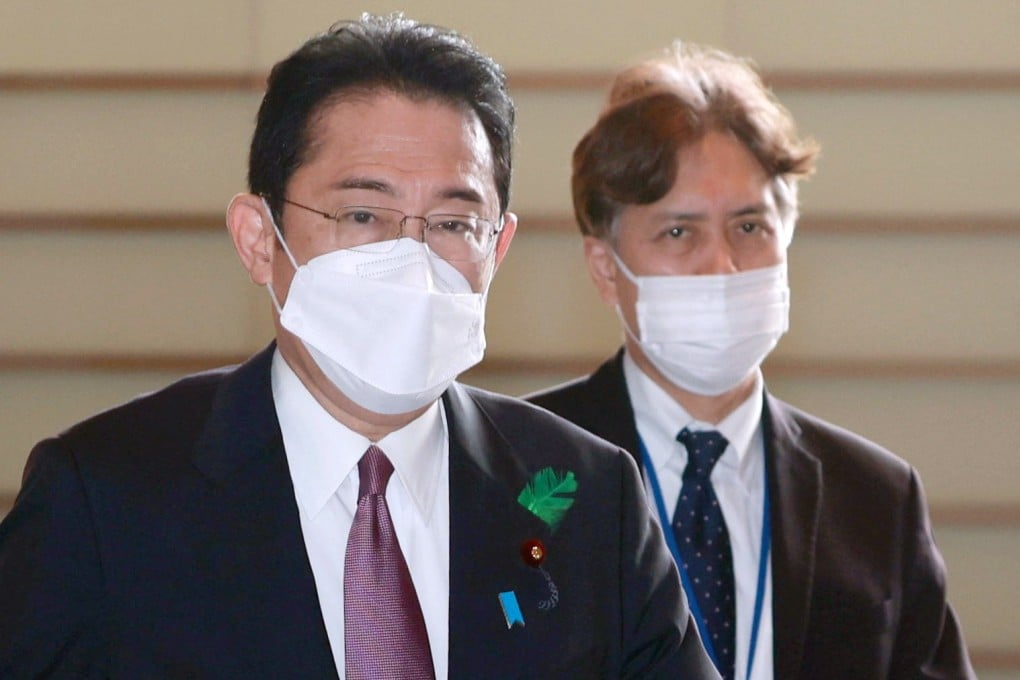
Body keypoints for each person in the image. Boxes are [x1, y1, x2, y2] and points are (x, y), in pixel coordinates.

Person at [0, 15, 719, 679]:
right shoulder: (103, 498)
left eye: (452, 223)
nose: (411, 258)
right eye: (363, 214)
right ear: (259, 239)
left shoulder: (590, 498)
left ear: (498, 249)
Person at [526, 43, 976, 680]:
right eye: (679, 232)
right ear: (606, 268)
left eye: (749, 227)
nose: (722, 266)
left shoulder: (877, 499)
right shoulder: (520, 466)